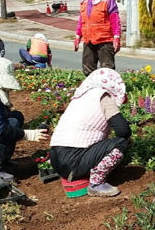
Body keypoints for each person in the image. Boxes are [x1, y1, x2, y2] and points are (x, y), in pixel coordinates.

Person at [50, 68, 131, 197]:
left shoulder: (80, 98)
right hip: (73, 161)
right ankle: (96, 183)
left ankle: (77, 174)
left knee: (107, 145)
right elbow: (123, 130)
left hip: (55, 159)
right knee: (120, 143)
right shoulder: (103, 96)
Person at [74, 0, 121, 76]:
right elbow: (82, 20)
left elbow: (115, 19)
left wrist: (117, 37)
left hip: (104, 41)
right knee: (88, 69)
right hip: (88, 40)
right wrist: (77, 36)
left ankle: (107, 91)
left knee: (107, 71)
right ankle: (92, 90)